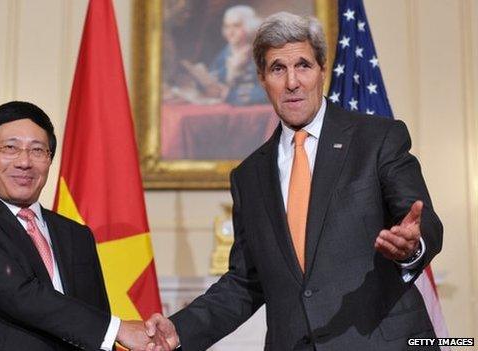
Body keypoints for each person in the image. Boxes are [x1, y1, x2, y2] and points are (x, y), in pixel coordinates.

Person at [146, 11, 443, 350]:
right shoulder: (249, 177)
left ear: (322, 71)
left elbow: (422, 221)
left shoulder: (377, 139)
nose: (292, 82)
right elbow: (245, 282)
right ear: (262, 78)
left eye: (302, 65)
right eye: (277, 69)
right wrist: (179, 329)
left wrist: (412, 246)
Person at [0, 101, 165, 350]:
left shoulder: (77, 234)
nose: (24, 162)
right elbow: (20, 294)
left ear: (50, 159)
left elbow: (93, 315)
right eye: (10, 148)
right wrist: (118, 329)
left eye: (37, 150)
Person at [207, 5, 266, 105]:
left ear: (249, 26)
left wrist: (231, 94)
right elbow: (214, 75)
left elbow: (269, 89)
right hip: (225, 106)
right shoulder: (226, 52)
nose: (230, 32)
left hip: (252, 111)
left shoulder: (260, 54)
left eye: (236, 26)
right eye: (227, 27)